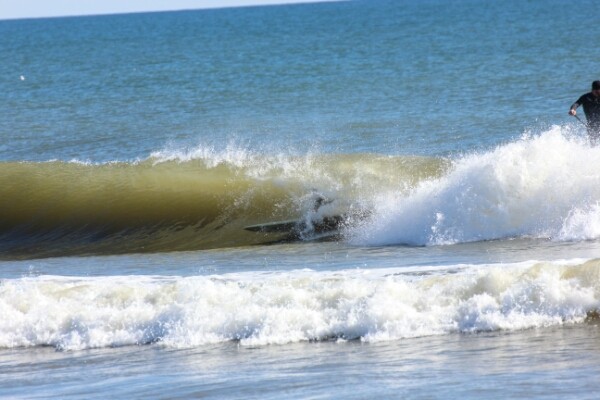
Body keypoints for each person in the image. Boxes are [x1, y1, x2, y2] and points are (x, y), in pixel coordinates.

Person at [569, 80, 600, 144]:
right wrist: (573, 109)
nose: (598, 93)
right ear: (592, 90)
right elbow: (576, 103)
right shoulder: (586, 97)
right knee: (593, 144)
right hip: (591, 126)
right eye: (597, 91)